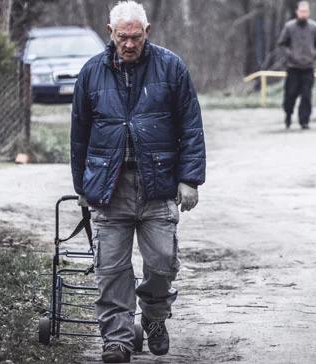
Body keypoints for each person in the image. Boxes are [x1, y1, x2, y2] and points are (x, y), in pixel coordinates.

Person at [70, 1, 206, 362]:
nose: (129, 44)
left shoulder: (171, 67)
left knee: (162, 262)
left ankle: (154, 316)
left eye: (135, 37)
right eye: (122, 37)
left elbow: (190, 125)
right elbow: (79, 135)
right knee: (111, 269)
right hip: (108, 186)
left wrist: (190, 179)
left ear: (147, 33)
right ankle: (116, 338)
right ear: (109, 32)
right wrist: (82, 187)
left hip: (157, 184)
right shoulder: (91, 72)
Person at [277, 1, 316, 130]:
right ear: (297, 12)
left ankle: (304, 121)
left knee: (306, 96)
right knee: (290, 94)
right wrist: (290, 54)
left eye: (306, 11)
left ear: (309, 13)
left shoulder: (314, 27)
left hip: (308, 67)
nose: (304, 14)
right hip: (293, 67)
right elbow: (281, 44)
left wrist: (314, 54)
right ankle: (288, 114)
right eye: (301, 11)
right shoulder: (289, 27)